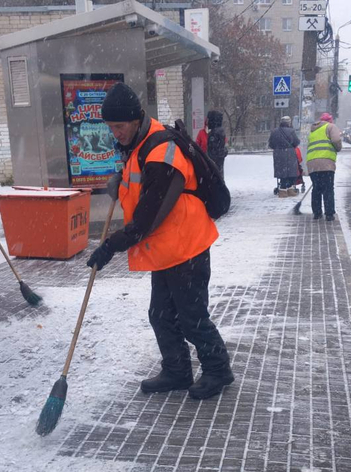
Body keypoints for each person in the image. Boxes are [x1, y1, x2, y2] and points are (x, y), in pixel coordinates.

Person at [86, 83, 234, 400]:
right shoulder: (142, 143)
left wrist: (110, 246)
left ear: (135, 119)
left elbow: (147, 219)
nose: (116, 134)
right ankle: (177, 370)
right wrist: (120, 181)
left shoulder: (163, 153)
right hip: (167, 247)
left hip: (186, 244)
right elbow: (138, 184)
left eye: (119, 126)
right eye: (111, 127)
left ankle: (218, 369)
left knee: (191, 317)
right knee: (162, 315)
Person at [306, 112, 343, 221]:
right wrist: (338, 148)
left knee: (316, 188)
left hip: (312, 163)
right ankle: (329, 213)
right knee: (328, 189)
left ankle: (317, 213)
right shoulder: (331, 127)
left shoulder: (313, 130)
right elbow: (336, 140)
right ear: (330, 120)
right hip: (326, 163)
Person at [268, 116, 300, 198]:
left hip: (278, 154)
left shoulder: (274, 131)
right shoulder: (291, 131)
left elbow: (271, 144)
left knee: (281, 171)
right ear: (289, 123)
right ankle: (290, 189)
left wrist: (278, 148)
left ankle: (282, 190)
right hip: (290, 153)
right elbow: (296, 142)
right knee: (291, 171)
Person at [206, 110, 228, 178]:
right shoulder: (220, 131)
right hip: (218, 163)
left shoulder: (214, 133)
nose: (207, 122)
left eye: (209, 119)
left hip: (214, 165)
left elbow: (213, 151)